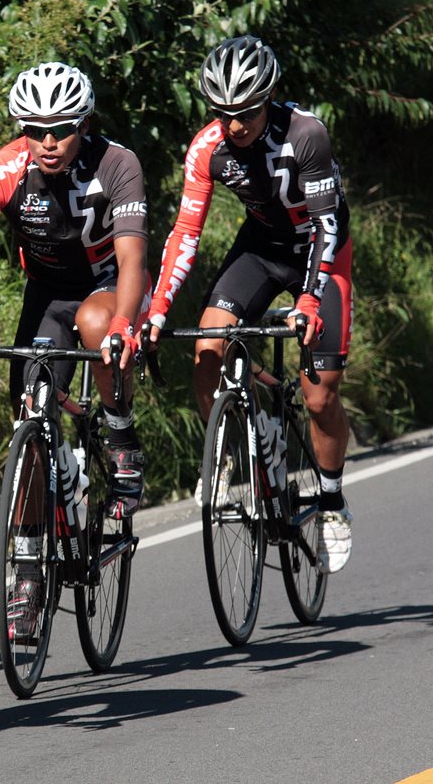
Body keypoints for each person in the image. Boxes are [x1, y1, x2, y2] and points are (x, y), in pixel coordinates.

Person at [147, 35, 354, 573]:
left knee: (318, 396)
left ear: (271, 96)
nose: (235, 124)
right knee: (208, 347)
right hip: (262, 248)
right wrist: (158, 308)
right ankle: (230, 449)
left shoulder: (307, 134)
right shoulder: (207, 148)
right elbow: (185, 234)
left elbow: (326, 228)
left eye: (247, 111)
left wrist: (310, 298)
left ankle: (330, 500)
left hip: (319, 252)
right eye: (223, 113)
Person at [0, 62, 150, 641]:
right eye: (36, 129)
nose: (49, 142)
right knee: (30, 415)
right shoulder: (1, 170)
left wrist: (125, 323)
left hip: (107, 285)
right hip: (47, 293)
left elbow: (131, 262)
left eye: (62, 129)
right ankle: (27, 570)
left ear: (84, 125)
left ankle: (119, 433)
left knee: (99, 323)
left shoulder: (117, 164)